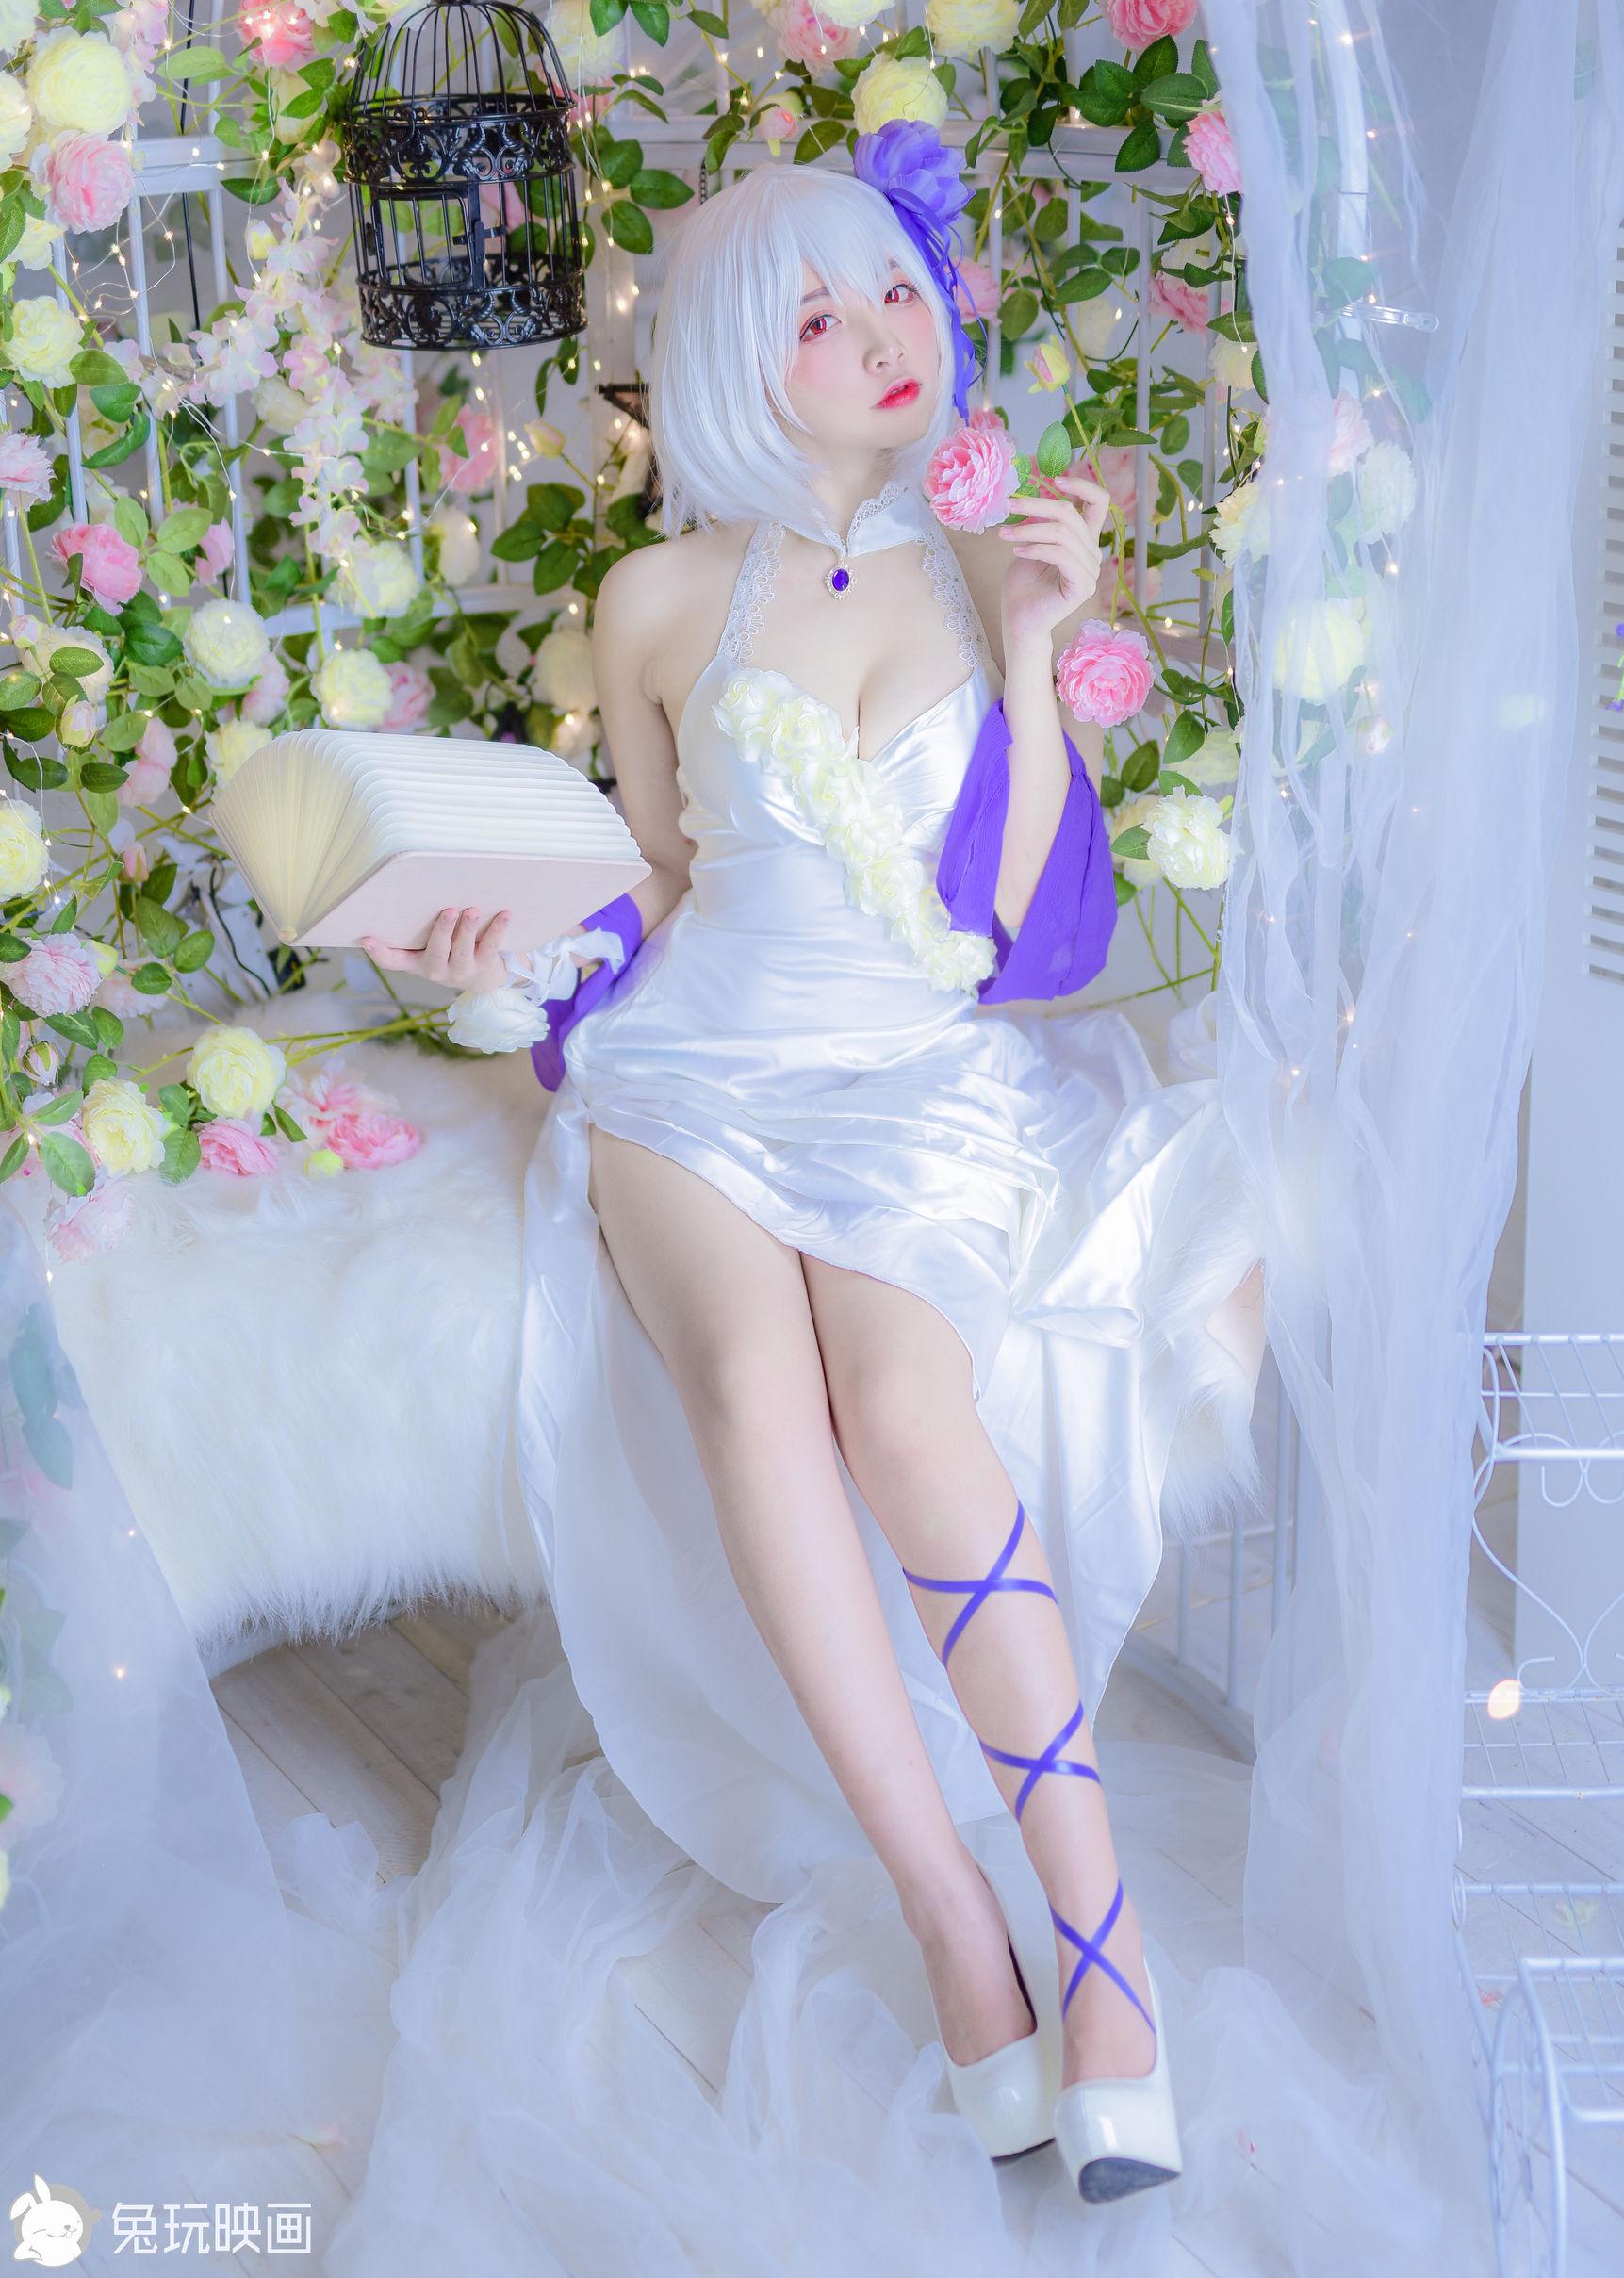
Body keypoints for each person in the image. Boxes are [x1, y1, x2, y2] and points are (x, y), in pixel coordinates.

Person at [361, 146, 1266, 2207]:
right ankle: (951, 1917)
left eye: (896, 294)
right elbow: (655, 887)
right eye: (817, 318)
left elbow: (1018, 929)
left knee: (910, 1410)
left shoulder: (992, 565)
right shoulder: (656, 600)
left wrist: (1031, 649)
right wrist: (502, 961)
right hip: (691, 1077)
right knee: (756, 1393)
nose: (882, 338)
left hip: (912, 1076)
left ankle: (1102, 1947)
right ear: (728, 371)